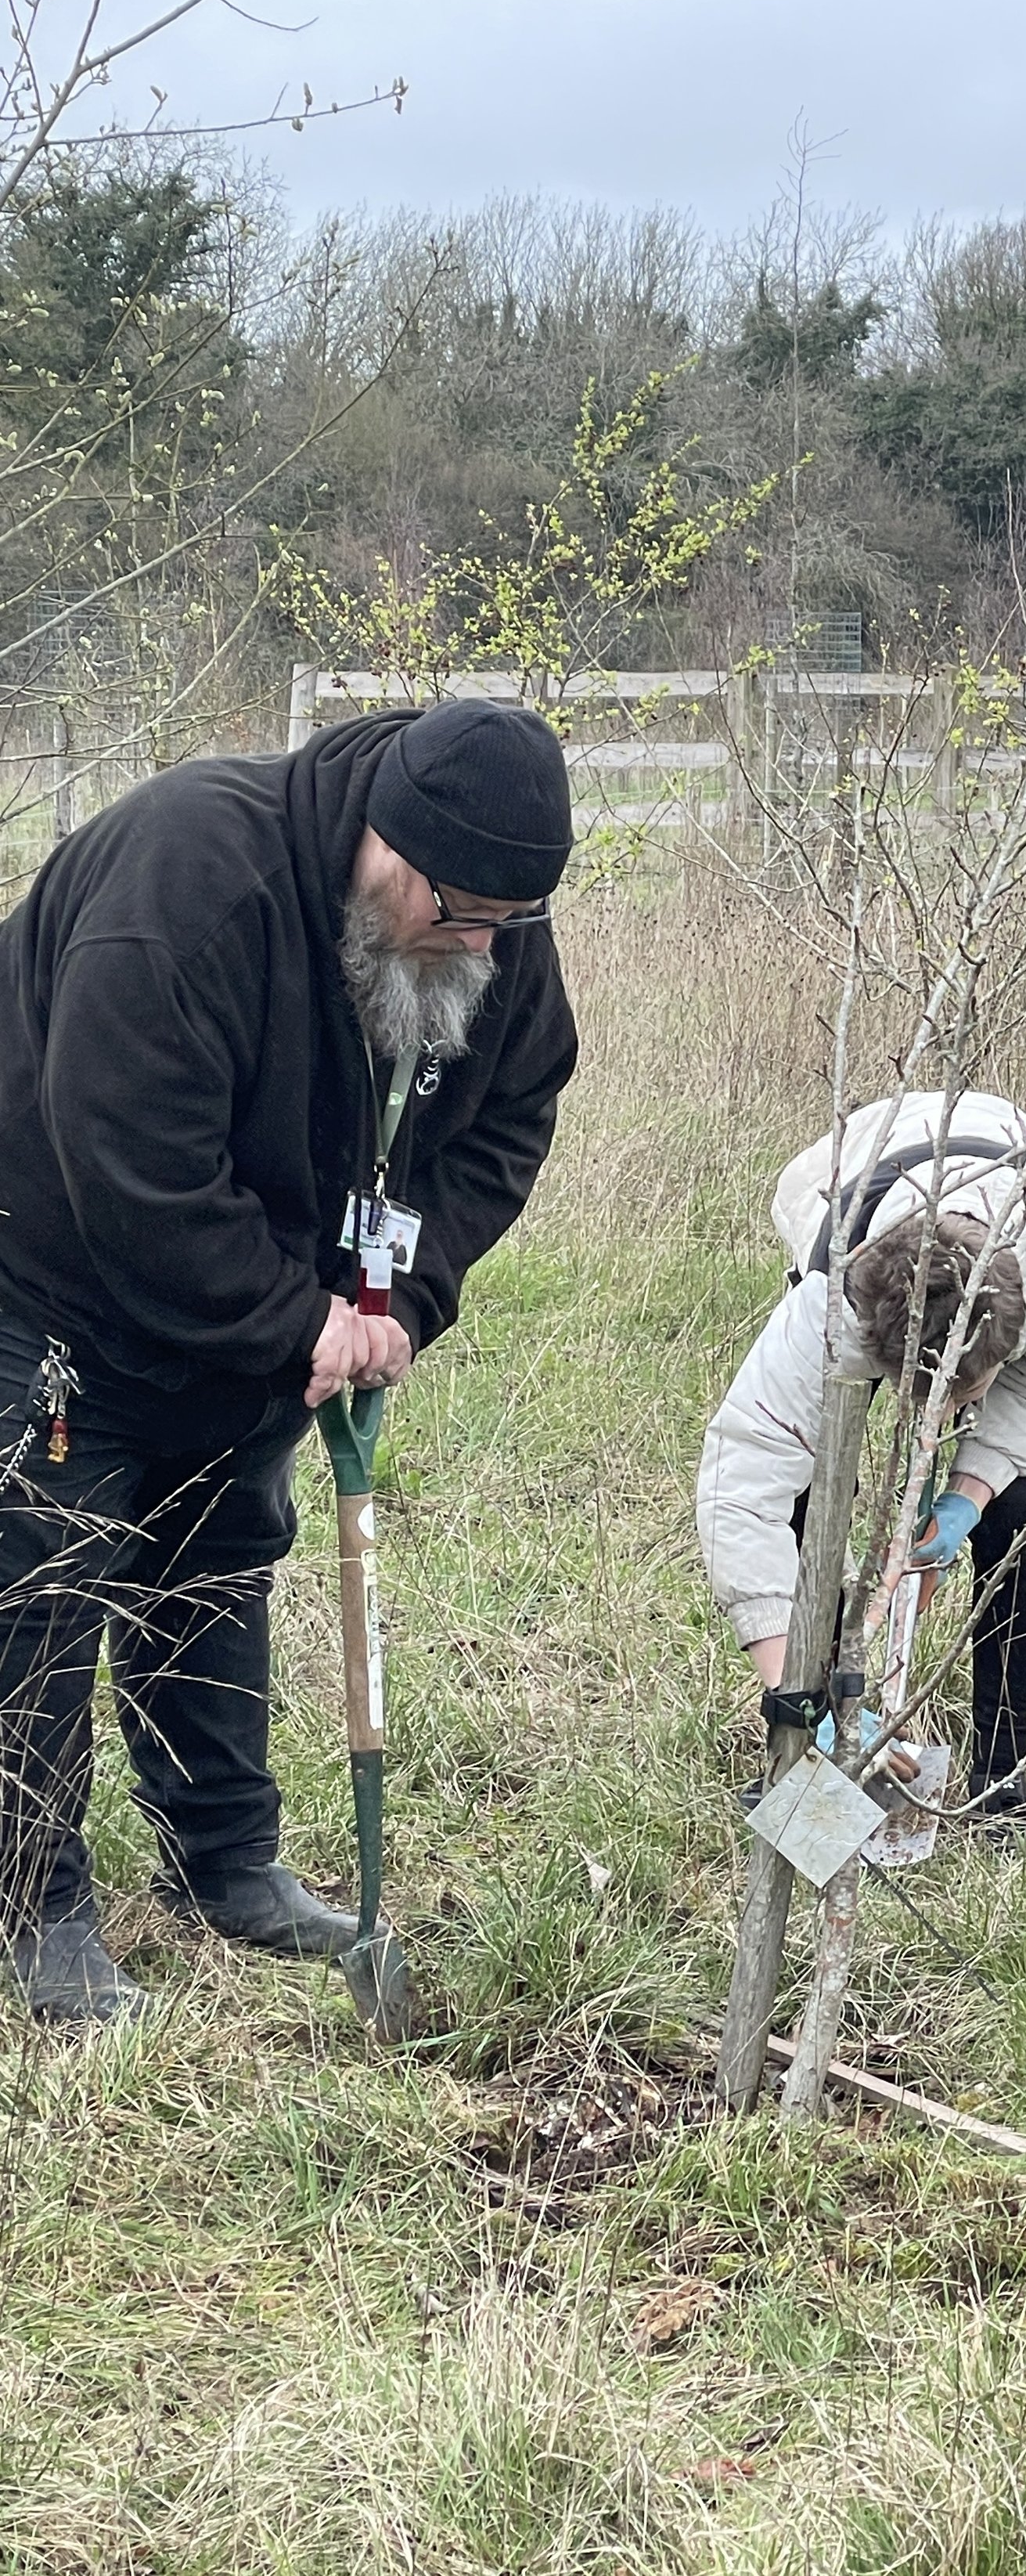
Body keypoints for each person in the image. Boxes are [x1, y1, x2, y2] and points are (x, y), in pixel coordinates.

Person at [0, 698, 579, 2019]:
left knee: (214, 1555)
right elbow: (131, 1166)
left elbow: (509, 1115)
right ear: (389, 839)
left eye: (507, 920)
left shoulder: (490, 930)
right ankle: (33, 1902)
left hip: (259, 1294)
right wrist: (298, 1320)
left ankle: (227, 1863)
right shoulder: (192, 880)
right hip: (47, 1274)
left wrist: (405, 1297)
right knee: (40, 1574)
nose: (480, 943)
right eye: (459, 910)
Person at [697, 1091, 1026, 1824]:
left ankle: (1001, 1775)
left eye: (957, 1393)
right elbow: (743, 1479)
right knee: (808, 1489)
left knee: (1020, 1511)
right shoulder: (836, 1291)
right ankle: (808, 1747)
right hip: (874, 1181)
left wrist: (969, 1495)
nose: (932, 1411)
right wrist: (790, 1693)